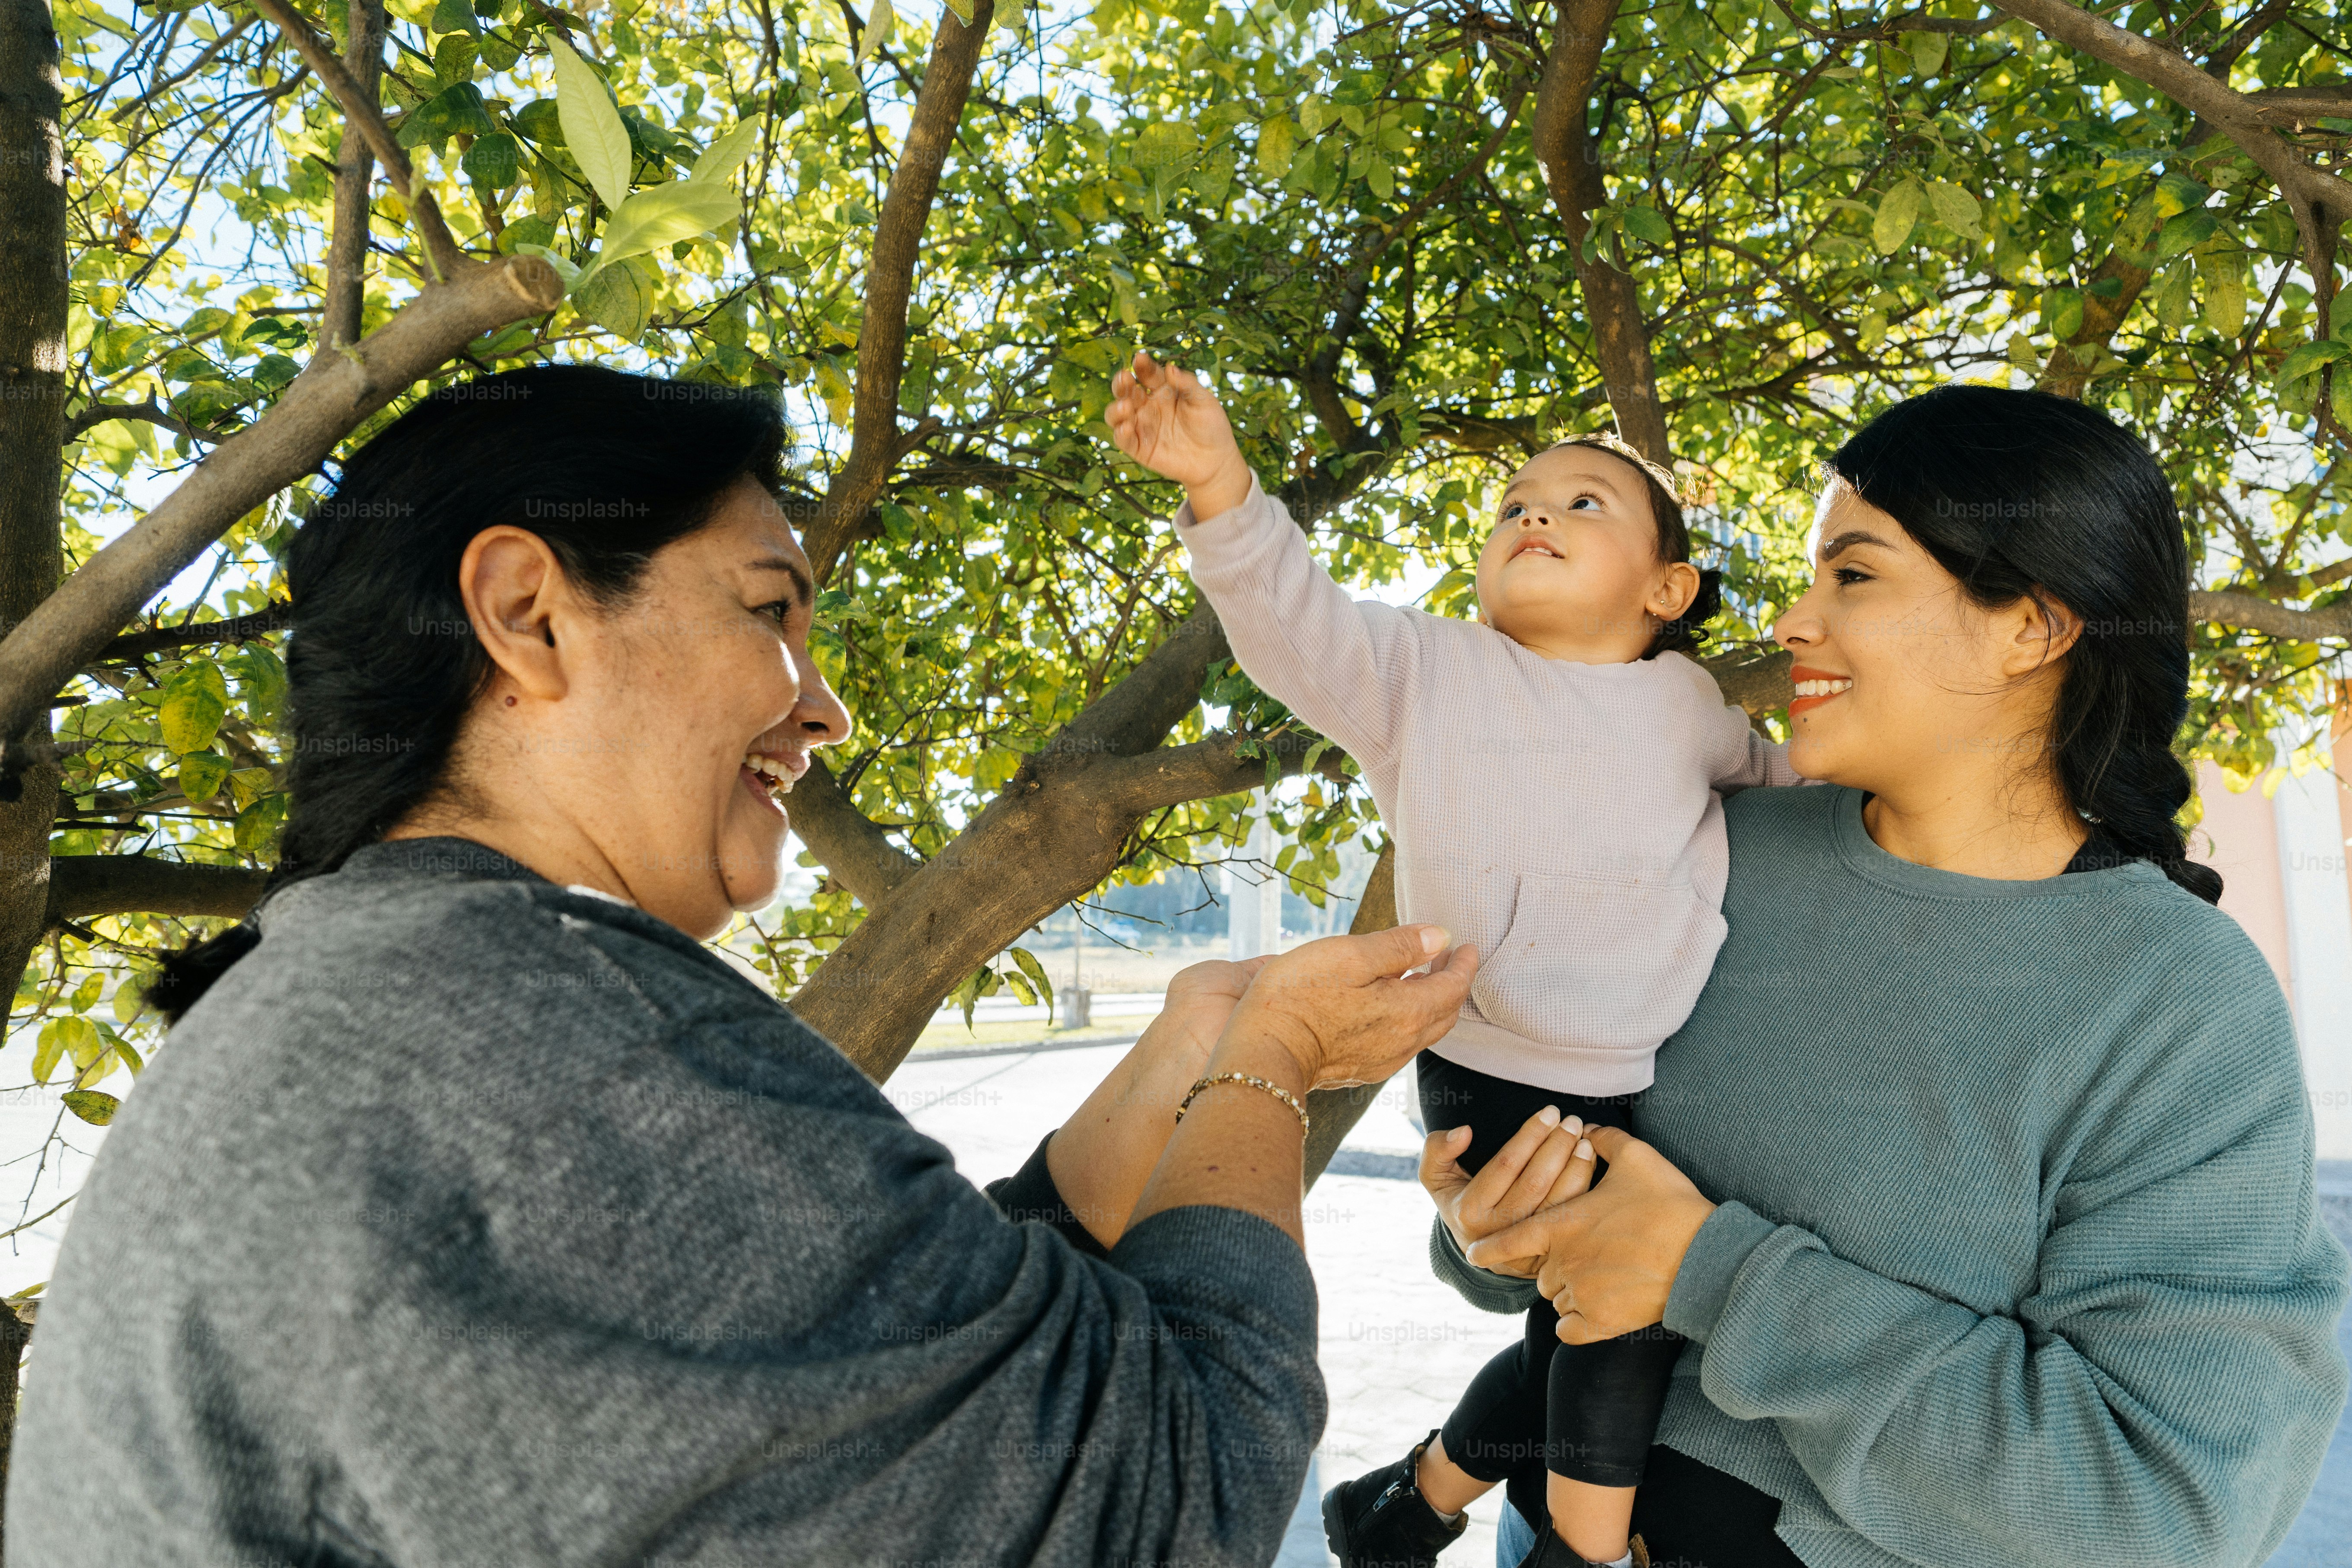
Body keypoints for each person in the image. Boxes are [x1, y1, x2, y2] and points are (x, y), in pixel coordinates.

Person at [3, 364, 1483, 1568]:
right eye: (771, 609)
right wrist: (1263, 1069)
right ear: (527, 612)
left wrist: (1184, 1052)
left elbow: (910, 1339)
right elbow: (1162, 1500)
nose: (824, 710)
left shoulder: (383, 990)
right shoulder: (537, 1033)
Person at [1419, 386, 2351, 1568]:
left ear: (2034, 626)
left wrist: (1717, 1275)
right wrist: (1488, 1220)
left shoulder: (2178, 1005)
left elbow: (2164, 1506)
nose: (1795, 622)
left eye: (1851, 576)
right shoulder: (1703, 852)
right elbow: (1540, 1211)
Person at [1106, 351, 1799, 1568]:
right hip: (1489, 1065)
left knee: (1579, 1325)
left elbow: (1796, 797)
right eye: (1513, 504)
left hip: (1638, 1073)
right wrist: (1222, 489)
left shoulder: (1688, 706)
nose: (1534, 511)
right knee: (1611, 1322)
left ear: (1667, 586)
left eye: (1585, 502)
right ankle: (1571, 1554)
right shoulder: (1428, 673)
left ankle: (1403, 1503)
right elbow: (1292, 624)